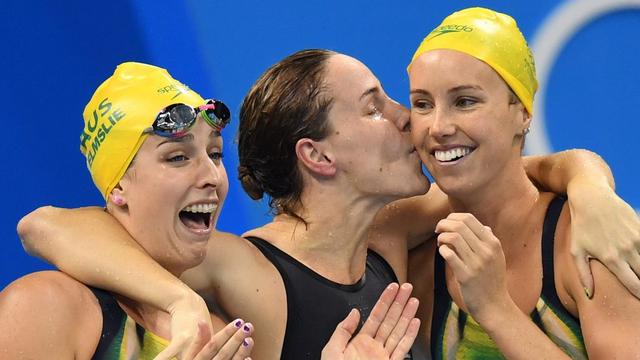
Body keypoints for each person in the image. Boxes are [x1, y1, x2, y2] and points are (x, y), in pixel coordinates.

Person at [17, 50, 638, 359]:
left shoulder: (389, 237)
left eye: (211, 154)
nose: (408, 120)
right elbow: (48, 224)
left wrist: (589, 182)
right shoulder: (249, 271)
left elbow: (505, 172)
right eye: (374, 106)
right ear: (318, 156)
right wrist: (181, 302)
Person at [405, 7, 640, 358]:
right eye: (422, 104)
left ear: (523, 112)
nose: (438, 127)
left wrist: (496, 309)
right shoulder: (417, 260)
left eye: (465, 101)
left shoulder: (590, 243)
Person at [0, 62, 255, 359]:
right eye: (177, 157)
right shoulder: (46, 306)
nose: (212, 175)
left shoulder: (215, 336)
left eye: (215, 154)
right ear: (118, 186)